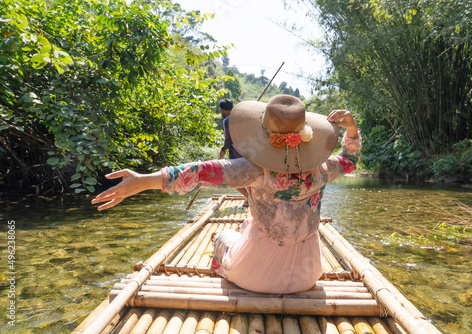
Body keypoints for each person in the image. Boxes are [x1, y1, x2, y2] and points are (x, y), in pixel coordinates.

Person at [92, 95, 361, 294]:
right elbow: (350, 159)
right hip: (308, 274)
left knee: (223, 238)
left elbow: (200, 171)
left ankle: (225, 263)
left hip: (260, 277)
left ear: (266, 135)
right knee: (245, 229)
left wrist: (142, 181)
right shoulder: (325, 168)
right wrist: (352, 128)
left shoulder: (257, 171)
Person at [217, 98, 249, 203]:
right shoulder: (242, 118)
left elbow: (227, 139)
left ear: (222, 110)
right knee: (249, 178)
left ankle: (249, 198)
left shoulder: (227, 121)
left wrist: (223, 150)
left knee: (232, 180)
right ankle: (250, 199)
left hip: (236, 155)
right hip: (250, 153)